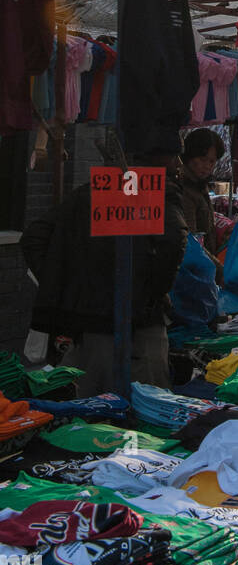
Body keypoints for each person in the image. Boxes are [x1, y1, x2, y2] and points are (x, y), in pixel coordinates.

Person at [21, 152, 188, 396]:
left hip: (92, 325)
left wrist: (69, 287)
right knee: (141, 415)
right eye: (174, 156)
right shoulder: (156, 193)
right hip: (137, 330)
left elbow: (34, 238)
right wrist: (152, 292)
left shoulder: (84, 195)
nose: (179, 163)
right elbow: (174, 240)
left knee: (91, 412)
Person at [177, 128, 224, 282]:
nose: (208, 166)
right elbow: (190, 242)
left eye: (212, 161)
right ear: (189, 157)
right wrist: (219, 269)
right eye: (203, 159)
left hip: (204, 271)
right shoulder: (185, 191)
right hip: (193, 275)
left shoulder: (200, 187)